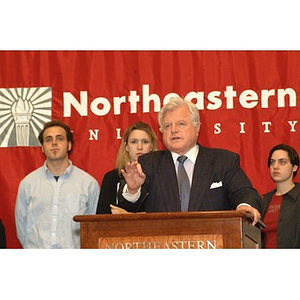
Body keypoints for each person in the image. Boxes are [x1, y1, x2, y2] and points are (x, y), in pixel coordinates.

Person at [121, 97, 262, 224]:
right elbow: (131, 209)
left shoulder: (223, 161)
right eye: (167, 126)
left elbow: (244, 192)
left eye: (181, 124)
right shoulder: (148, 163)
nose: (174, 130)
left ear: (197, 127)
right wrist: (133, 190)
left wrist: (245, 207)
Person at [15, 120, 100, 249]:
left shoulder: (88, 184)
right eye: (48, 139)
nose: (54, 143)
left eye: (59, 138)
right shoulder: (28, 184)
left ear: (69, 145)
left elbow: (94, 228)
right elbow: (21, 227)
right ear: (42, 147)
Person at [96, 122, 159, 214]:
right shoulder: (112, 177)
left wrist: (126, 215)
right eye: (134, 142)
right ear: (126, 147)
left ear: (151, 146)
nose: (139, 147)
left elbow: (163, 213)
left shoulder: (161, 175)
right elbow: (102, 216)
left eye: (145, 142)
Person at [261, 144, 300, 248]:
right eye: (272, 162)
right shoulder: (266, 200)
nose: (275, 166)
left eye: (282, 162)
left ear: (294, 167)